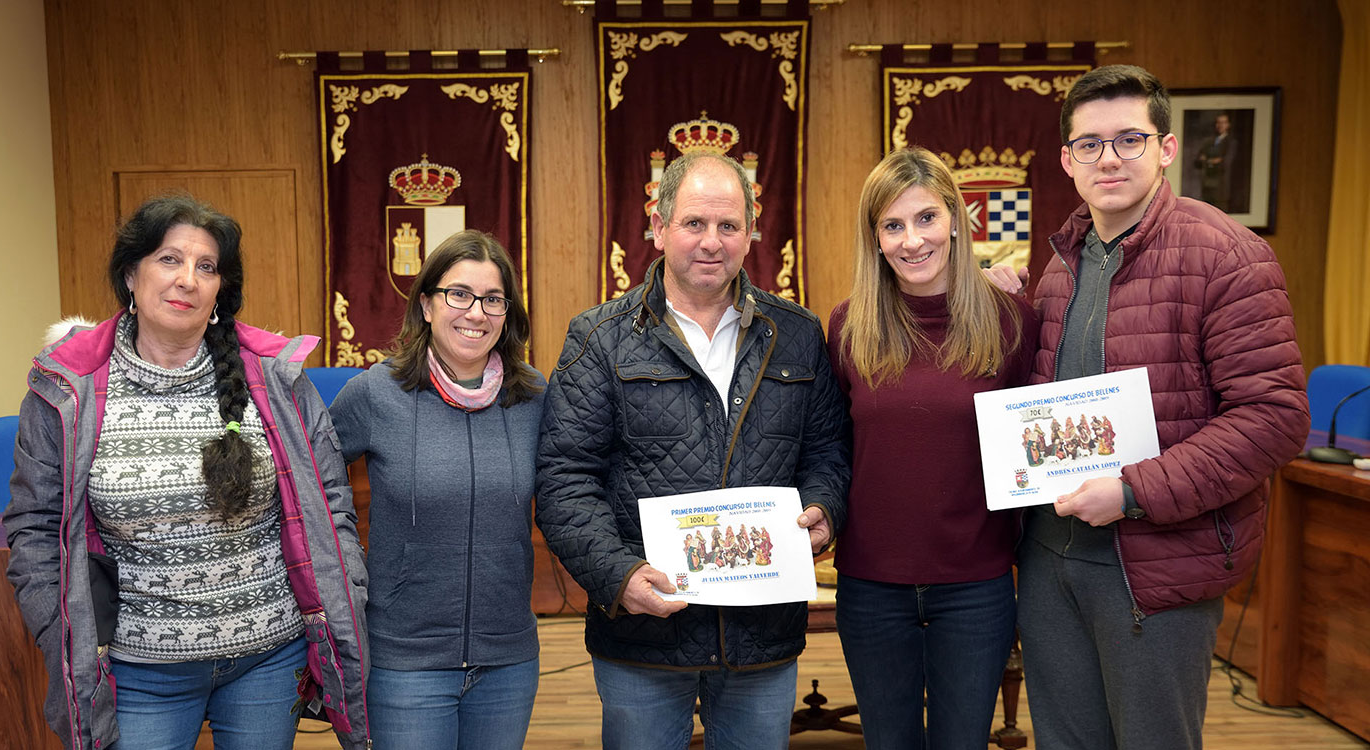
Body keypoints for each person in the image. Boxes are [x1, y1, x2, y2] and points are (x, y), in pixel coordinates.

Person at [991, 64, 1309, 749]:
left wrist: (1133, 492)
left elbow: (1273, 418)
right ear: (1066, 160)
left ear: (1166, 147)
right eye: (1089, 144)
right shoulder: (1062, 262)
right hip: (1051, 564)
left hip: (1152, 569)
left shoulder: (1227, 255)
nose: (1109, 158)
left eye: (1129, 139)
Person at [3, 194, 370, 750]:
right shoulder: (68, 390)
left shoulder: (275, 381)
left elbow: (331, 505)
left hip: (270, 658)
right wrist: (63, 632)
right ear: (131, 273)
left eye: (206, 267)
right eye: (169, 260)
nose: (187, 281)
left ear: (221, 289)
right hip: (137, 671)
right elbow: (34, 529)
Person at [535, 152, 851, 750]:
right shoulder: (599, 338)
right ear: (658, 227)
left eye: (729, 226)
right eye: (694, 224)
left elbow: (828, 452)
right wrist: (617, 576)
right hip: (644, 639)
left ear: (751, 233)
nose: (712, 243)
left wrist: (823, 510)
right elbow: (564, 476)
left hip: (761, 635)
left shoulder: (799, 334)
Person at [827, 147, 1039, 750]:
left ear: (955, 219)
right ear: (874, 238)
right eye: (892, 225)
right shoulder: (848, 327)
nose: (911, 240)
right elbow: (835, 449)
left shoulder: (1010, 322)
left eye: (925, 218)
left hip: (977, 585)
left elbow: (1031, 443)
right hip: (871, 586)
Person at [328, 230, 544, 750]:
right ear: (426, 304)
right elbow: (310, 485)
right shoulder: (375, 394)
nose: (476, 312)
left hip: (508, 659)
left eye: (493, 299)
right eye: (458, 294)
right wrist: (351, 569)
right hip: (405, 661)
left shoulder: (534, 396)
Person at [1192, 112, 1236, 211]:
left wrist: (1207, 161)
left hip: (1221, 187)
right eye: (1218, 123)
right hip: (1207, 185)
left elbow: (1225, 163)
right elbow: (1198, 162)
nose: (1220, 125)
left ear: (1228, 125)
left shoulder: (1231, 142)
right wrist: (1212, 161)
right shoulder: (1208, 142)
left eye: (1223, 122)